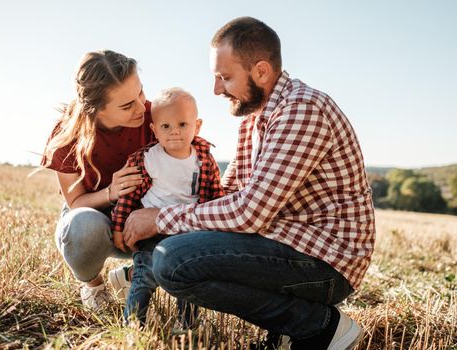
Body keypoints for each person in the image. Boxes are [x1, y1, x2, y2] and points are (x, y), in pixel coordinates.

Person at [121, 17, 375, 350]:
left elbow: (248, 214)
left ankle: (319, 326)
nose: (216, 90)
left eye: (225, 77)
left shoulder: (300, 110)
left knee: (175, 262)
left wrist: (158, 218)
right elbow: (228, 196)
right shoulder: (254, 116)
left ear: (261, 71)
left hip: (325, 260)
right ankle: (288, 333)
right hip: (284, 243)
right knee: (169, 254)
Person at [39, 50, 154, 309]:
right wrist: (111, 192)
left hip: (142, 220)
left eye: (141, 93)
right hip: (96, 219)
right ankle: (94, 285)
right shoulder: (67, 134)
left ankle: (131, 276)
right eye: (127, 105)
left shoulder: (157, 116)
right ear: (95, 110)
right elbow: (76, 202)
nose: (141, 107)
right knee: (82, 227)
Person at [111, 87, 225, 327]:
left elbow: (216, 195)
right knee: (144, 278)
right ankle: (133, 325)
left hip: (189, 233)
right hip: (151, 233)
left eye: (183, 124)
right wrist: (119, 228)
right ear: (154, 129)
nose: (174, 131)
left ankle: (187, 326)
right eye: (165, 126)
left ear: (198, 126)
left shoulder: (204, 159)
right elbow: (128, 198)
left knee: (189, 280)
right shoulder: (146, 159)